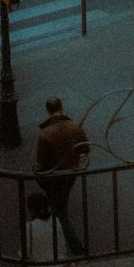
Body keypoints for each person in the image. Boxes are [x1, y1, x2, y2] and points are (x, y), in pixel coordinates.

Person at [35, 96, 90, 256]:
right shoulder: (75, 126)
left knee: (61, 211)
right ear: (61, 107)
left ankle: (77, 250)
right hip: (71, 172)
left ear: (47, 110)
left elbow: (41, 164)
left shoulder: (45, 134)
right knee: (61, 203)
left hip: (54, 176)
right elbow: (85, 148)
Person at [20, 190, 68, 265]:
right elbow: (63, 246)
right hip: (60, 264)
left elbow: (25, 254)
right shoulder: (57, 221)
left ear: (32, 209)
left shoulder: (29, 227)